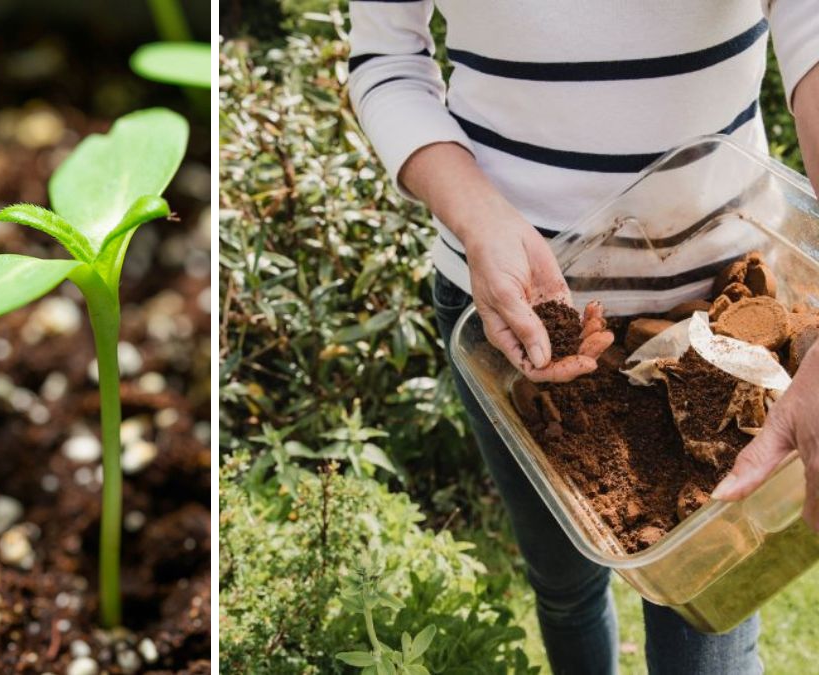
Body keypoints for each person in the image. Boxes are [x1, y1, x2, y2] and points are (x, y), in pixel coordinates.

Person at [348, 2, 819, 673]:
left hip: (727, 317)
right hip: (517, 319)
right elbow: (385, 57)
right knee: (565, 585)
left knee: (710, 619)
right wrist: (477, 215)